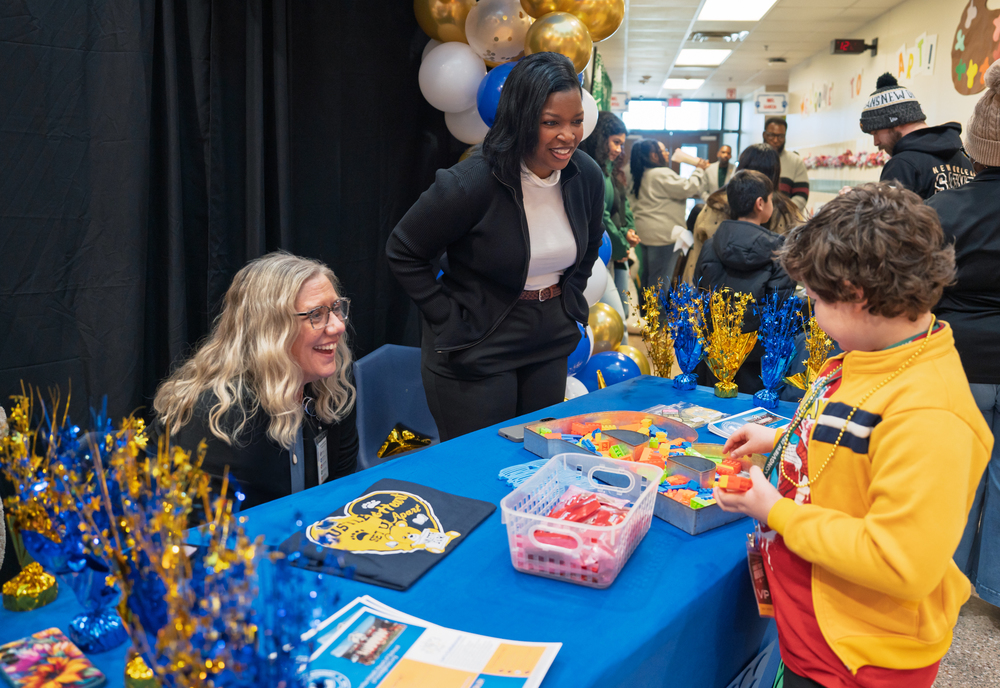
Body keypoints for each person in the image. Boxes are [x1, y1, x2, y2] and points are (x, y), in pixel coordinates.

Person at [715, 182, 991, 688]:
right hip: (816, 624)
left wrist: (773, 510)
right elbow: (851, 444)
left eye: (817, 300)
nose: (812, 313)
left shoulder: (932, 413)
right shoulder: (872, 355)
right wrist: (783, 437)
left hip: (858, 657)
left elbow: (900, 560)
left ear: (857, 296)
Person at [386, 53, 604, 441]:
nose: (568, 136)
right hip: (478, 345)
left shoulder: (584, 175)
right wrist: (447, 317)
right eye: (551, 123)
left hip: (549, 341)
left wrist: (567, 301)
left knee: (539, 465)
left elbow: (589, 246)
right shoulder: (472, 181)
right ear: (522, 119)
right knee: (483, 475)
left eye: (576, 121)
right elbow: (404, 250)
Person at [153, 252, 359, 510]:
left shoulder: (333, 385)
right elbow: (211, 535)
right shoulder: (221, 413)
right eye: (316, 314)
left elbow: (339, 490)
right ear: (271, 331)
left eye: (336, 308)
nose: (338, 326)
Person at [927, 60, 1000, 609]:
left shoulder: (940, 211)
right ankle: (995, 591)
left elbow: (918, 291)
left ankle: (939, 581)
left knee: (950, 475)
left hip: (956, 362)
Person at [694, 170, 795, 393]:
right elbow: (779, 309)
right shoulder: (779, 250)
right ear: (760, 203)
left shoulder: (711, 245)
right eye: (770, 198)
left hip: (714, 357)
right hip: (758, 365)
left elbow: (700, 292)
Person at [683, 143, 802, 285]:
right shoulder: (787, 210)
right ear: (775, 173)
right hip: (765, 301)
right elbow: (796, 259)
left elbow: (699, 252)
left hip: (715, 295)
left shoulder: (716, 203)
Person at [861, 73, 974, 199]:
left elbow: (888, 218)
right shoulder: (963, 159)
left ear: (896, 121)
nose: (876, 142)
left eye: (875, 132)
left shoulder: (901, 165)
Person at [578, 110, 639, 332]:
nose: (619, 149)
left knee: (620, 315)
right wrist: (622, 242)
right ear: (600, 139)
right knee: (616, 322)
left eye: (622, 144)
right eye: (615, 142)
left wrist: (629, 231)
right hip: (595, 255)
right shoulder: (591, 169)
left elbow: (623, 205)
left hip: (614, 254)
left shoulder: (610, 170)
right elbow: (600, 215)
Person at [629, 139, 705, 291]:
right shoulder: (661, 173)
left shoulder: (637, 173)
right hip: (663, 236)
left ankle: (646, 312)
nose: (667, 153)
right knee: (660, 281)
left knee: (648, 277)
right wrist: (699, 169)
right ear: (653, 155)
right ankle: (657, 314)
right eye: (662, 150)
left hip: (645, 233)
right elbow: (689, 188)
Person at [763, 116, 810, 211]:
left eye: (780, 136)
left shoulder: (795, 161)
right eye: (772, 135)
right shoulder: (751, 157)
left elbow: (801, 195)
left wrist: (782, 213)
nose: (776, 140)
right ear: (764, 135)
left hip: (785, 220)